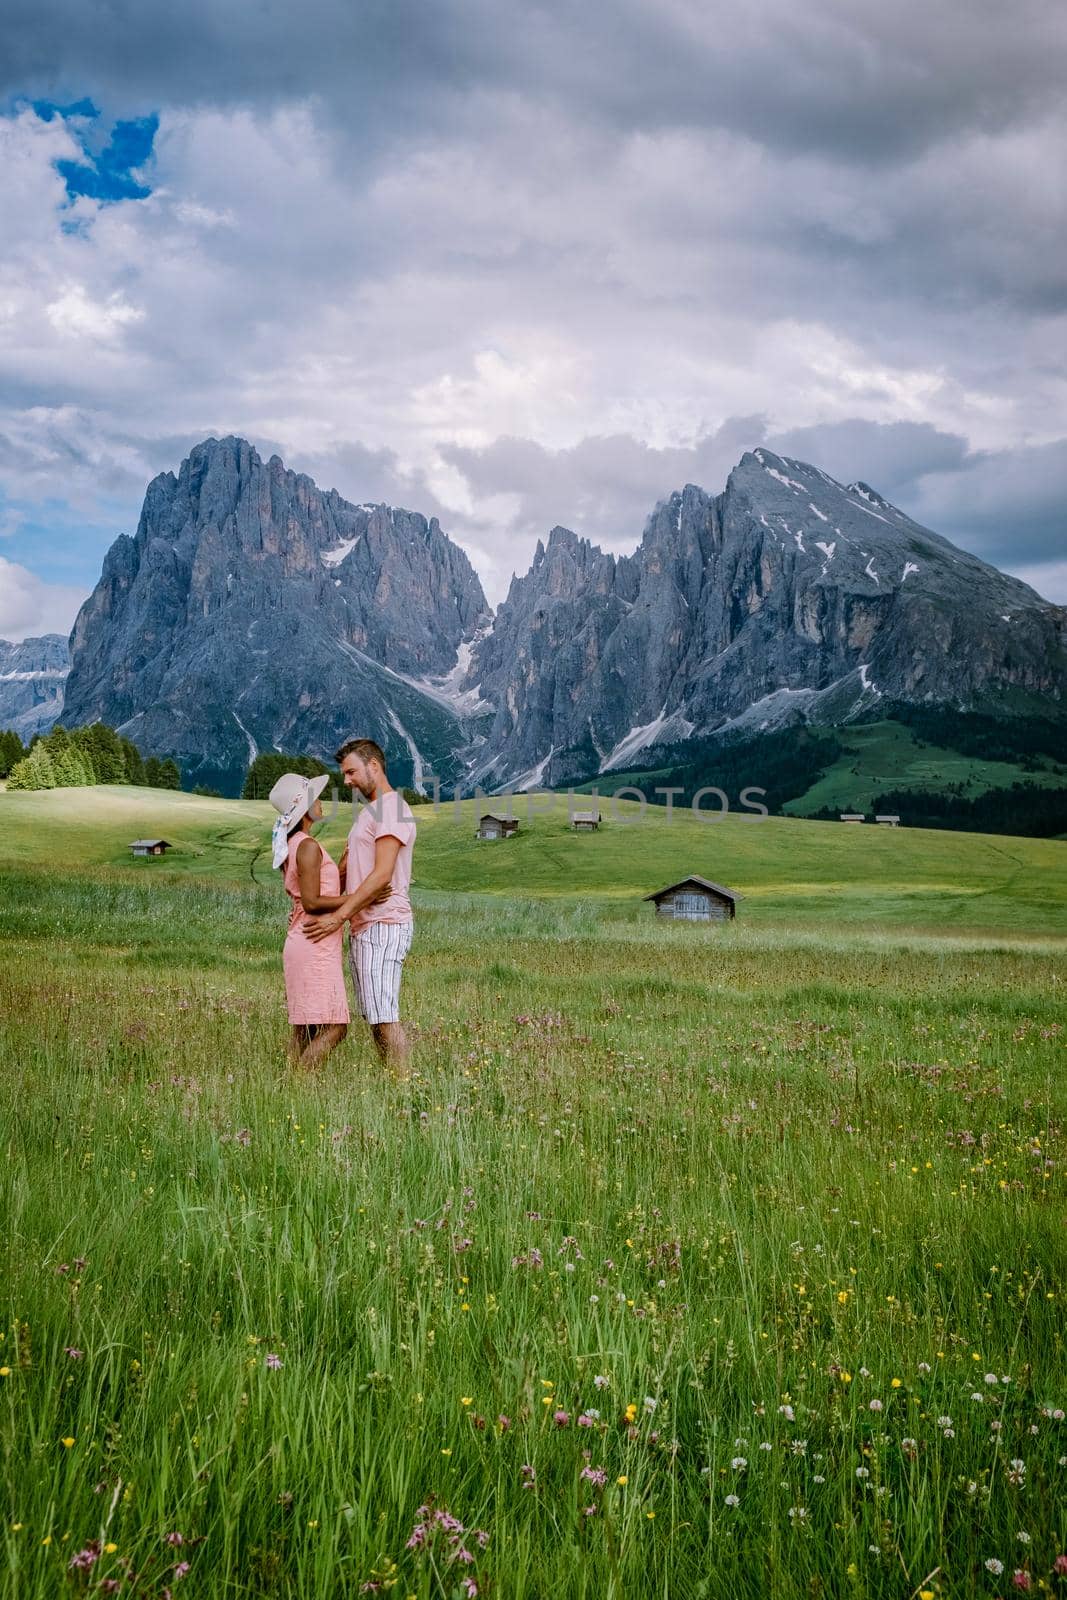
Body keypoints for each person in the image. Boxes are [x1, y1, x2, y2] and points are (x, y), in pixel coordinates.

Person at [304, 738, 416, 1067]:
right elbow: (349, 869)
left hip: (384, 922)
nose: (347, 780)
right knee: (376, 1015)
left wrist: (337, 917)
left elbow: (382, 875)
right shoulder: (372, 813)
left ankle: (404, 1088)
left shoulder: (392, 809)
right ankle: (396, 1084)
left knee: (384, 1018)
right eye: (344, 774)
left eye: (351, 772)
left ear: (374, 766)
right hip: (367, 924)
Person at [269, 772, 350, 1071]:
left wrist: (339, 873)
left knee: (305, 1028)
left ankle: (291, 1088)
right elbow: (313, 902)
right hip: (314, 943)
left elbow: (314, 893)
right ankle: (301, 1082)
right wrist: (358, 897)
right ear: (303, 809)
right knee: (336, 1026)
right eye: (315, 798)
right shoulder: (308, 846)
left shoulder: (296, 845)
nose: (321, 802)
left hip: (306, 939)